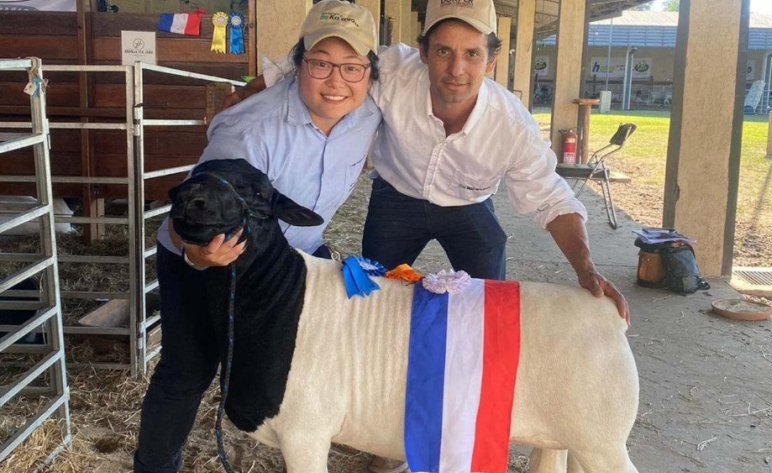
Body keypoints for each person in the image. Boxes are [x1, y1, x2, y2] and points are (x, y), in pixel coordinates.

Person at [230, 0, 630, 325]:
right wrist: (249, 91)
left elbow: (552, 199)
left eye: (472, 54)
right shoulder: (393, 70)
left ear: (491, 60)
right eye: (443, 51)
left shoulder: (512, 126)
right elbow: (313, 55)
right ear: (422, 52)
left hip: (468, 207)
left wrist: (585, 268)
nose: (457, 70)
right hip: (396, 199)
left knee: (489, 303)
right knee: (373, 297)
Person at [133, 2, 382, 472]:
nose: (336, 81)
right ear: (298, 61)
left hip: (293, 261)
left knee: (298, 359)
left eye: (352, 67)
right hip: (211, 260)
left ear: (369, 71)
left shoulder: (369, 112)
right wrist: (196, 255)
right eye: (321, 64)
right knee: (189, 371)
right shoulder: (248, 131)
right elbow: (187, 213)